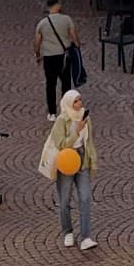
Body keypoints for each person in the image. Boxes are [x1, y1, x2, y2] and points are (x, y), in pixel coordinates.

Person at [46, 88, 98, 251]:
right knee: (65, 199)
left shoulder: (85, 118)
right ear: (69, 103)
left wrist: (92, 161)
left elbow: (89, 142)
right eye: (75, 101)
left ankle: (86, 236)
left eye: (80, 100)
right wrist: (76, 132)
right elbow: (61, 144)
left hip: (81, 160)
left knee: (85, 197)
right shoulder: (62, 120)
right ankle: (67, 231)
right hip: (67, 160)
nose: (79, 103)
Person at [34, 0, 78, 118]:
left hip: (49, 57)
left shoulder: (42, 23)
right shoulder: (67, 19)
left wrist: (38, 55)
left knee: (50, 84)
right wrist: (77, 46)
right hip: (64, 56)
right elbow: (74, 36)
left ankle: (52, 112)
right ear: (57, 5)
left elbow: (37, 42)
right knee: (66, 83)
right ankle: (66, 110)